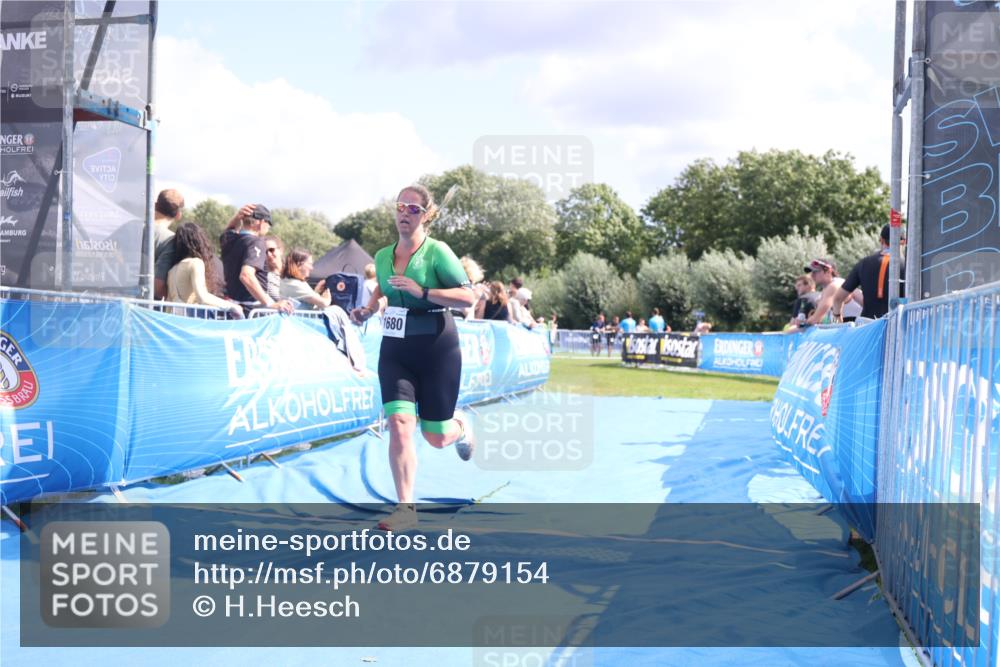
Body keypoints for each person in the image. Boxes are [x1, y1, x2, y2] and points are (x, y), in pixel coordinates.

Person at [349, 184, 477, 532]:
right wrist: (368, 307)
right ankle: (406, 508)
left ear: (426, 215)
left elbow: (469, 296)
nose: (404, 213)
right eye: (400, 206)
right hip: (396, 351)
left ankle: (461, 426)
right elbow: (384, 286)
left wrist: (422, 291)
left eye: (413, 209)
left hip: (437, 347)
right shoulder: (381, 256)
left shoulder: (438, 252)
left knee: (436, 437)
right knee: (400, 426)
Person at [220, 204, 293, 316]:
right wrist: (270, 303)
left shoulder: (228, 239)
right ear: (262, 222)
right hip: (251, 313)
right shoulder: (256, 242)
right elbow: (246, 276)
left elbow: (228, 230)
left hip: (231, 310)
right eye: (268, 224)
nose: (268, 228)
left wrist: (237, 217)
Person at [166, 222, 243, 319]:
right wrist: (231, 306)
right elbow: (202, 297)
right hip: (189, 321)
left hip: (173, 320)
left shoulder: (172, 269)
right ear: (199, 240)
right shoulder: (195, 263)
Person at [832, 225, 905, 321]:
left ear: (881, 240)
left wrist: (837, 317)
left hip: (868, 327)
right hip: (898, 326)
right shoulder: (908, 265)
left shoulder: (864, 263)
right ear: (904, 242)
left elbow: (838, 298)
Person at [804, 258, 861, 325]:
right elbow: (822, 321)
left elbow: (815, 319)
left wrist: (802, 324)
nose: (812, 275)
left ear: (828, 271)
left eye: (815, 271)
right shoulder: (826, 290)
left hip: (860, 325)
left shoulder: (834, 286)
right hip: (851, 325)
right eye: (811, 272)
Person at [152, 189, 184, 300]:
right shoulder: (171, 240)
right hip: (145, 308)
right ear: (178, 215)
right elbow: (158, 286)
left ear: (155, 205)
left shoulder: (131, 227)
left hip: (116, 301)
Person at [264, 235, 284, 303]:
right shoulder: (264, 277)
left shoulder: (292, 274)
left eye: (271, 250)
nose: (269, 254)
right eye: (265, 252)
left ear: (281, 250)